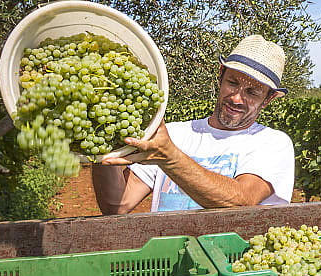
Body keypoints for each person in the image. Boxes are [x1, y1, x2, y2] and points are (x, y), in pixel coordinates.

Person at [91, 35, 294, 214]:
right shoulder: (174, 134)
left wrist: (169, 157)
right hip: (165, 256)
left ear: (268, 99)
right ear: (220, 75)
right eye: (232, 83)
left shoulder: (273, 144)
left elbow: (241, 201)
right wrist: (101, 139)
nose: (237, 98)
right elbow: (117, 205)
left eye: (252, 93)